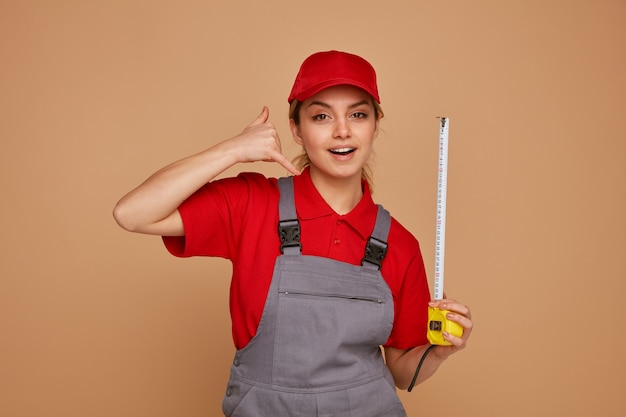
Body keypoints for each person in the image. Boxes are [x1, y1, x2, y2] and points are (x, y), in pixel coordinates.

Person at [113, 50, 472, 416]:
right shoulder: (253, 203)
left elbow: (401, 371)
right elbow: (132, 213)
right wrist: (232, 150)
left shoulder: (399, 244)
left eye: (358, 114)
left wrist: (440, 352)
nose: (342, 130)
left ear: (375, 125)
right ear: (296, 129)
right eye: (321, 116)